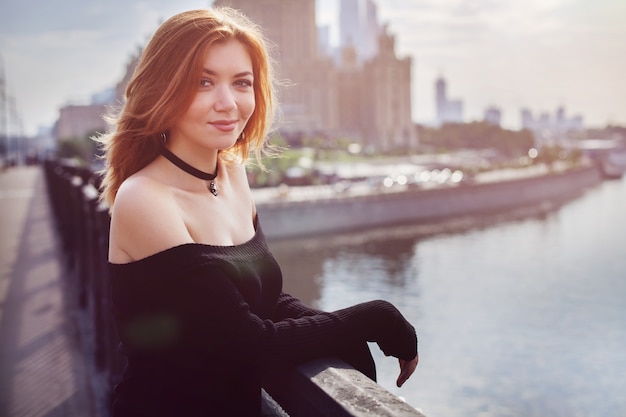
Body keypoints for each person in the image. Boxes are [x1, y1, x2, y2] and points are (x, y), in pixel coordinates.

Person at [96, 7, 418, 417]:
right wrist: (373, 318)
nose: (227, 103)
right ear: (164, 87)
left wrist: (330, 326)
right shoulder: (145, 198)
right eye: (203, 82)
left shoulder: (231, 172)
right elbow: (249, 342)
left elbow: (260, 297)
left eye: (241, 83)